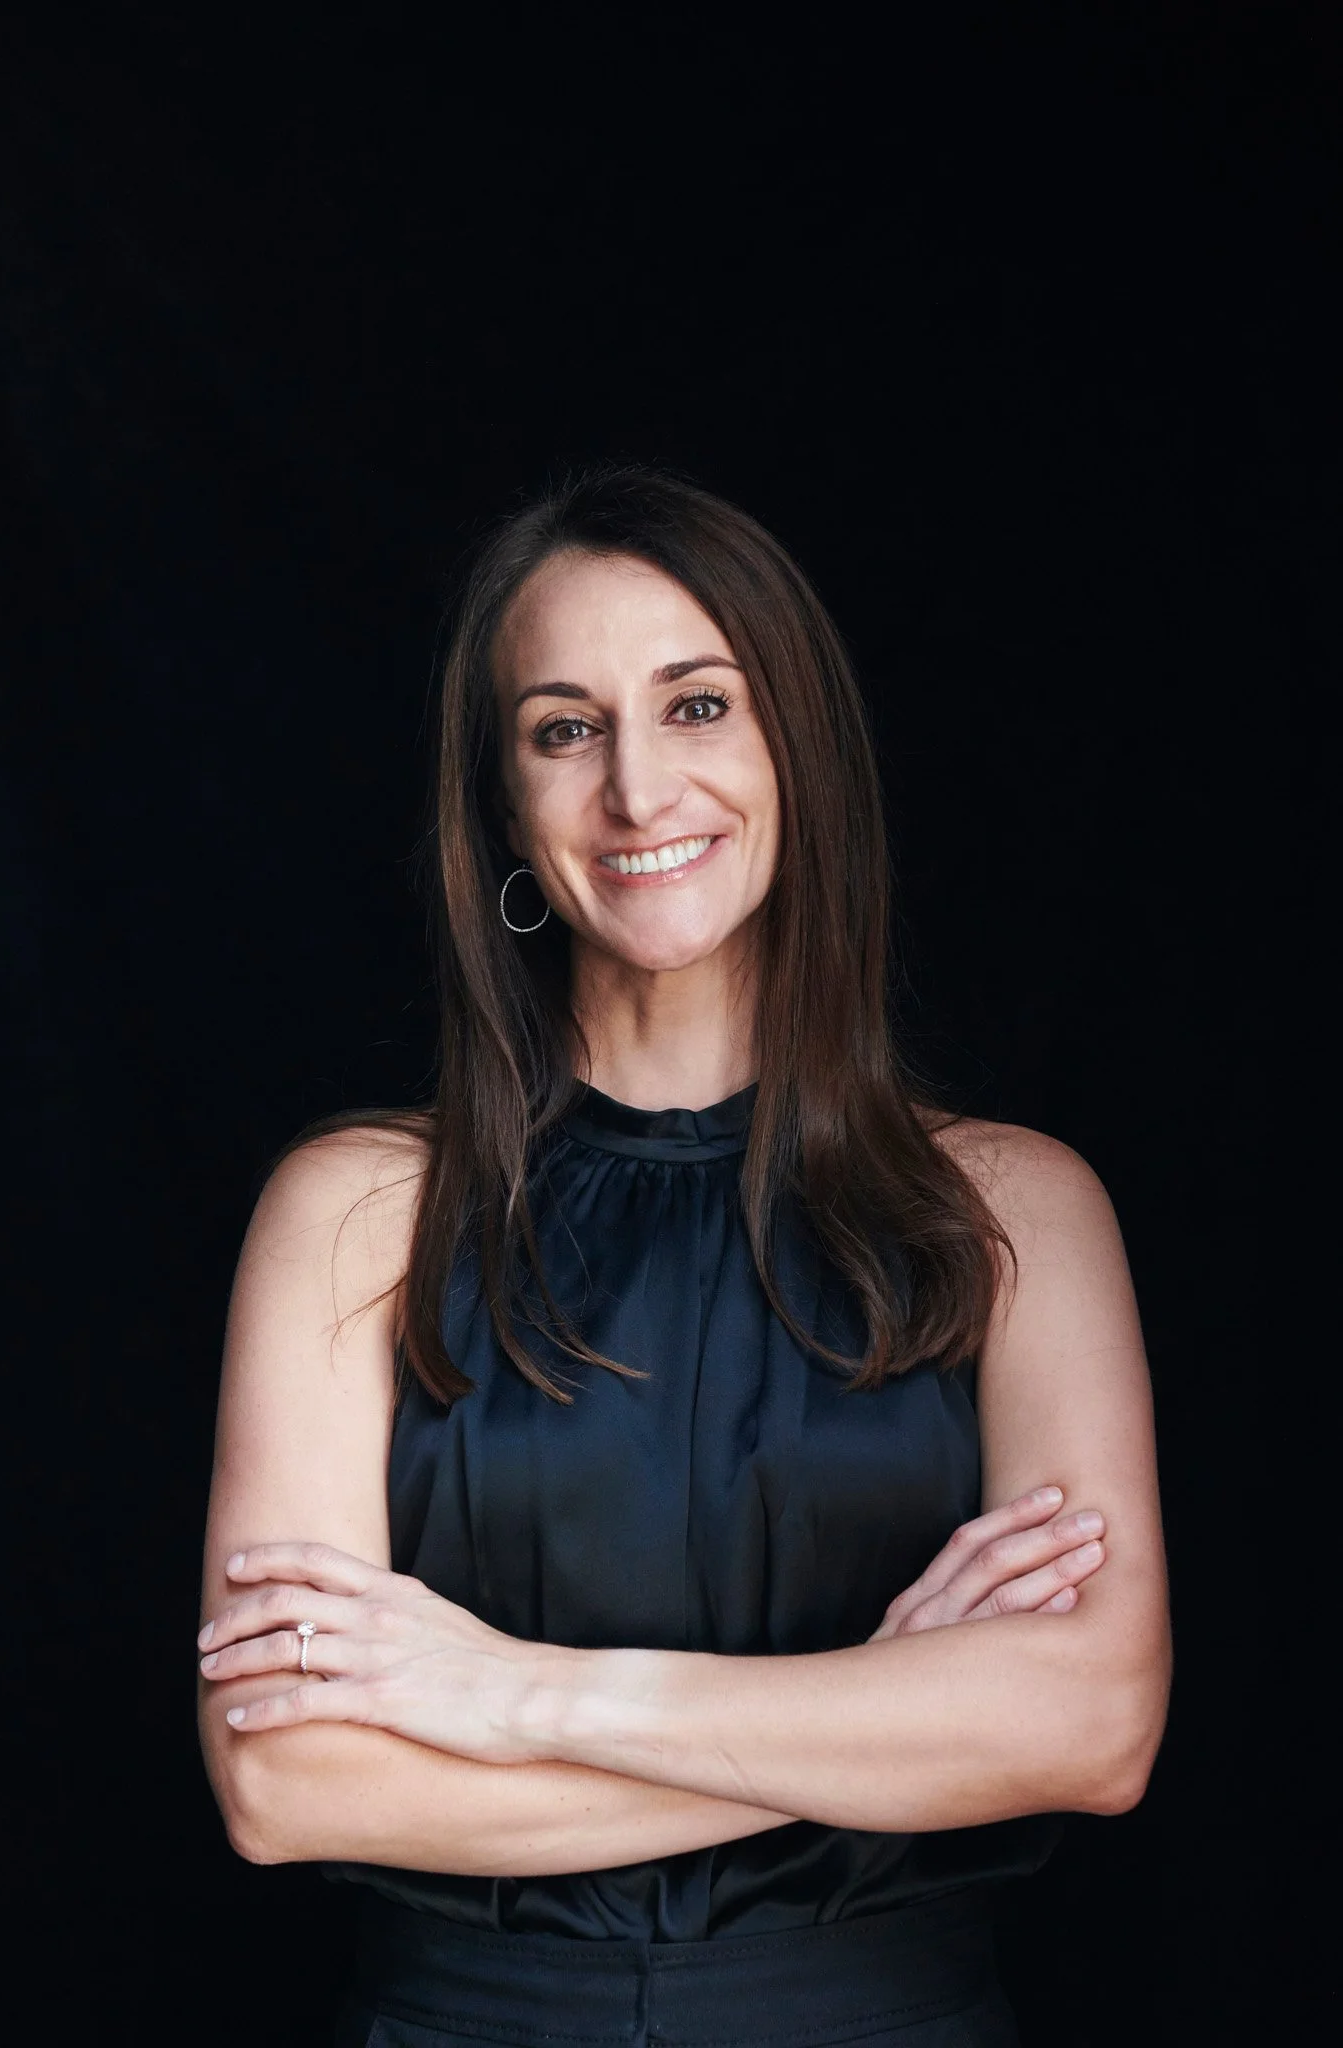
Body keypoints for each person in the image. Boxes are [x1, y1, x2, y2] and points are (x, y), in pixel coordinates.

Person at [197, 467, 1171, 2047]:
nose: (641, 793)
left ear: (797, 745)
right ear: (505, 804)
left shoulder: (1012, 1212)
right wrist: (875, 1711)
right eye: (566, 729)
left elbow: (1094, 1728)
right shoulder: (360, 1215)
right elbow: (284, 1781)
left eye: (699, 705)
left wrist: (510, 1697)